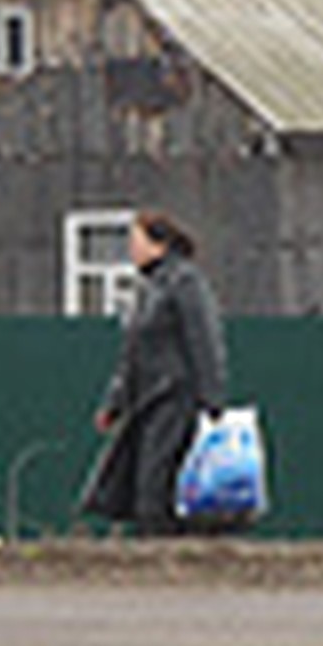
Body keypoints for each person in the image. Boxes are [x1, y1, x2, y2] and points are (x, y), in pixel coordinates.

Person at [80, 210, 227, 536]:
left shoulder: (185, 282)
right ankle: (158, 550)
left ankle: (168, 555)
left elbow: (204, 340)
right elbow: (131, 355)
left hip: (176, 398)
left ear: (159, 245)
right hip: (146, 400)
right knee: (144, 484)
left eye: (136, 241)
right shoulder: (149, 287)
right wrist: (113, 404)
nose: (131, 250)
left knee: (157, 483)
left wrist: (212, 400)